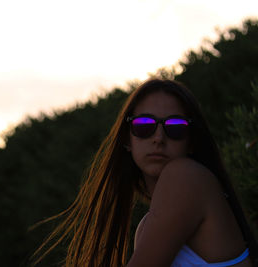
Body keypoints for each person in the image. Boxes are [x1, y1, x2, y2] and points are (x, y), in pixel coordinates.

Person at [33, 79, 258, 266]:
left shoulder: (186, 177)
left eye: (175, 127)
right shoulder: (145, 228)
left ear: (191, 141)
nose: (158, 138)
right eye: (143, 125)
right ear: (127, 139)